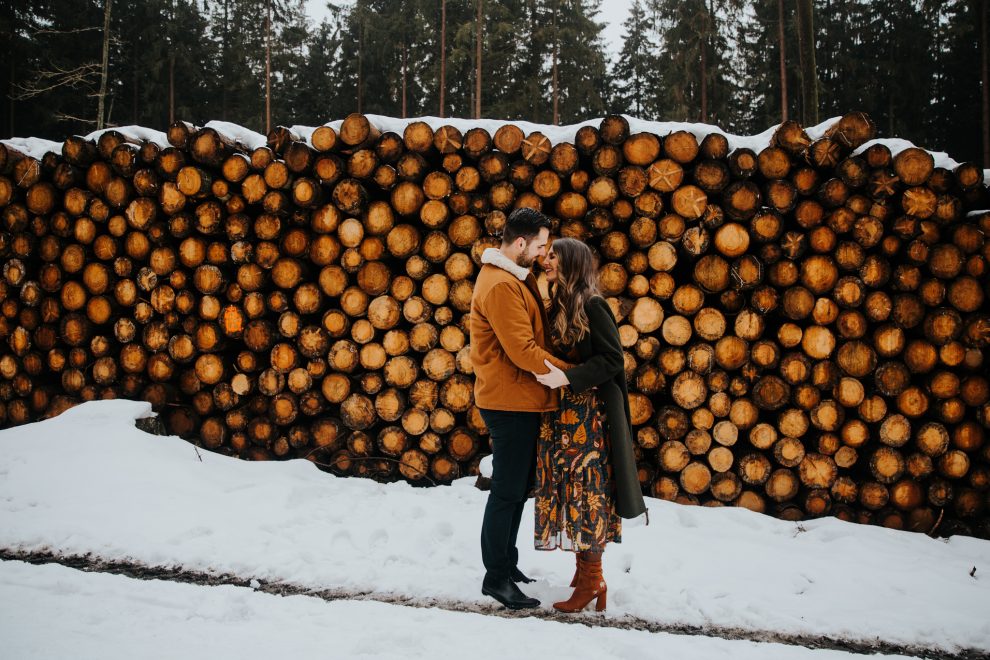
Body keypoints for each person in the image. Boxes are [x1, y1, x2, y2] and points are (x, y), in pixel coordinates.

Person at [531, 237, 648, 613]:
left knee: (588, 495)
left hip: (588, 420)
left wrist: (569, 379)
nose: (546, 261)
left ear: (572, 263)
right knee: (570, 493)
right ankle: (584, 574)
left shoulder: (593, 305)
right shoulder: (560, 304)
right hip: (561, 418)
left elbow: (614, 360)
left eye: (553, 257)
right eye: (546, 255)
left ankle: (594, 577)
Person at [469, 207, 571, 610]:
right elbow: (523, 351)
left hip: (520, 400)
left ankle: (506, 565)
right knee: (506, 493)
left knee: (515, 488)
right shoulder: (499, 285)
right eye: (542, 245)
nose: (545, 254)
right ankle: (495, 578)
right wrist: (575, 374)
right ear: (521, 242)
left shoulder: (513, 278)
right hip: (509, 402)